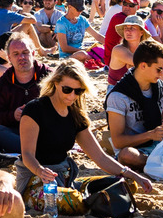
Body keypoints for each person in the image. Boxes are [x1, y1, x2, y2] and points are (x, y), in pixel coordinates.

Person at [16, 59, 154, 201]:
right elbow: (27, 155)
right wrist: (41, 171)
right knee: (74, 200)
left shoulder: (76, 115)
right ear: (55, 83)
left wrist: (133, 175)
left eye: (78, 91)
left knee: (125, 184)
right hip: (35, 179)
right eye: (67, 90)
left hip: (64, 179)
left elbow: (100, 157)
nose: (72, 96)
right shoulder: (35, 110)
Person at [105, 40, 163, 169]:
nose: (162, 74)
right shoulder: (119, 95)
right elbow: (118, 141)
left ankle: (160, 163)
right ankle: (162, 164)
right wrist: (150, 135)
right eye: (159, 69)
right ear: (143, 66)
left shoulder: (162, 89)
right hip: (137, 149)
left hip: (160, 145)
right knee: (127, 155)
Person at [0, 34, 48, 155]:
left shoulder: (49, 76)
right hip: (17, 131)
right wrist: (13, 115)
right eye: (16, 54)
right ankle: (35, 152)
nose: (21, 57)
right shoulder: (2, 82)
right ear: (9, 58)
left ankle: (33, 152)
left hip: (46, 130)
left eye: (25, 52)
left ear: (33, 54)